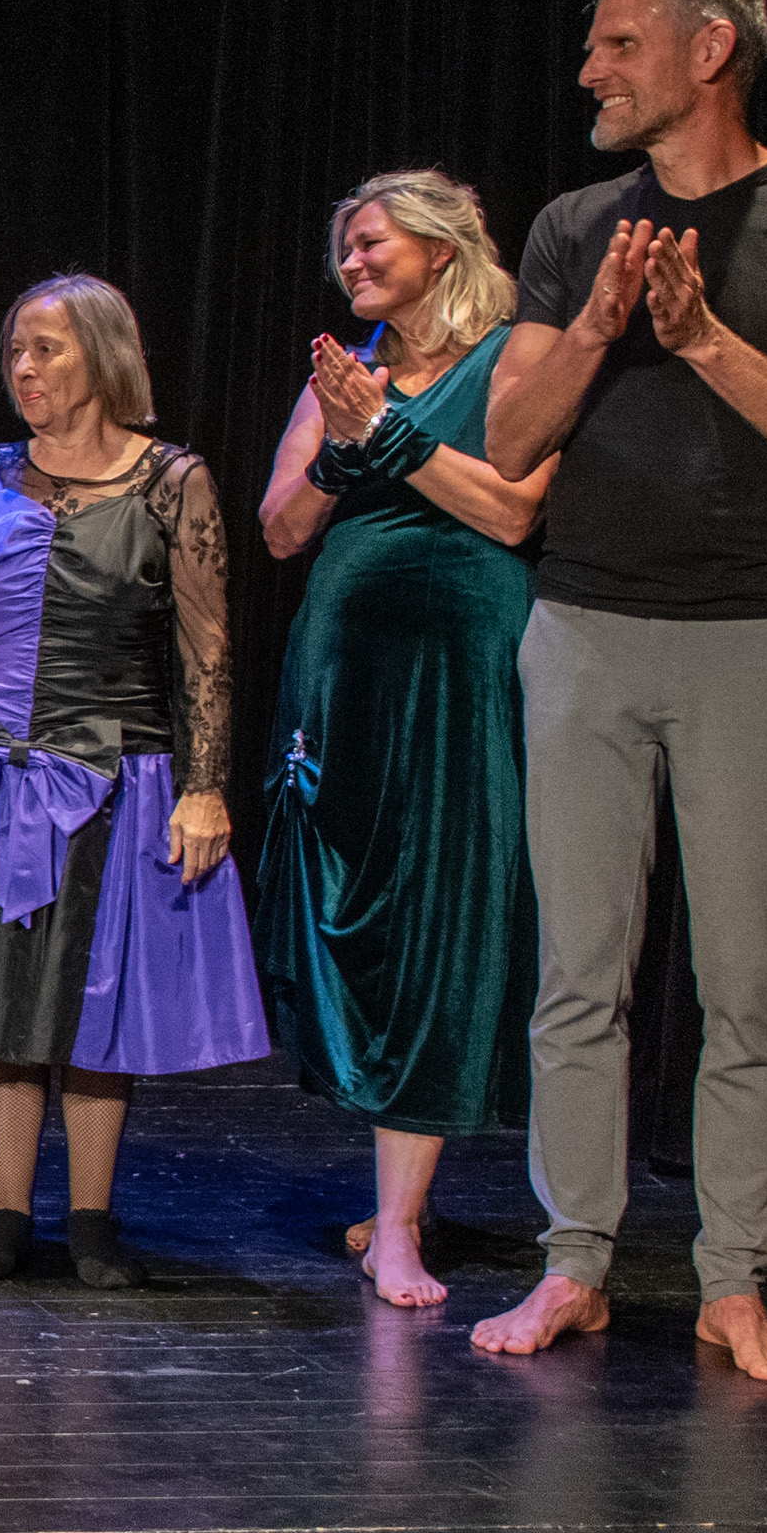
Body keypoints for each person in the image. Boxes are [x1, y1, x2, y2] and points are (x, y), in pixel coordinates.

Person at [469, 0, 767, 1384]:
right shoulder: (573, 226)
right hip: (581, 631)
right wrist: (603, 321)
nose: (587, 70)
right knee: (576, 975)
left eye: (615, 44)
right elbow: (509, 441)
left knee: (748, 983)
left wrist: (703, 339)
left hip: (751, 640)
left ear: (706, 50)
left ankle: (732, 1282)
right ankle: (574, 1263)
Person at [0, 276, 267, 1287]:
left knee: (99, 1009)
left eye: (46, 349)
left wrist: (204, 784)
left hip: (117, 774)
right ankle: (7, 1213)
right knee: (4, 1008)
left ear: (101, 356)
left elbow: (206, 648)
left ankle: (91, 1218)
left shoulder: (170, 479)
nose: (23, 368)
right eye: (15, 349)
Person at [255, 171, 548, 1308]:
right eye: (345, 248)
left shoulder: (513, 359)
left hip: (463, 664)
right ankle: (393, 1202)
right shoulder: (346, 373)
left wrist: (387, 432)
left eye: (371, 242)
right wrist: (342, 446)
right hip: (346, 666)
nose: (352, 262)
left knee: (443, 909)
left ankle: (398, 1223)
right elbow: (281, 528)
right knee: (365, 909)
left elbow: (512, 509)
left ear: (441, 248)